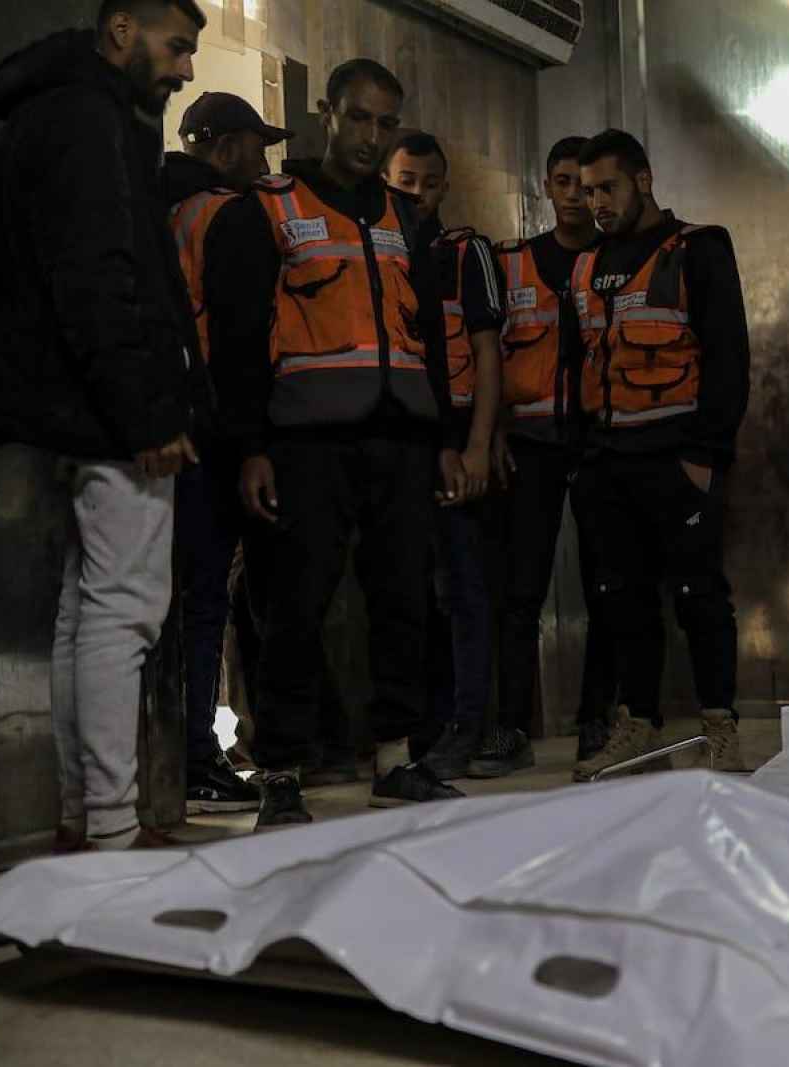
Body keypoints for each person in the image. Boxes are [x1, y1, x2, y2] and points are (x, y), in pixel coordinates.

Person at [206, 58, 478, 827]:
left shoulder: (405, 218)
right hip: (305, 442)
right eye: (358, 117)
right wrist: (251, 447)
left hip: (401, 440)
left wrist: (445, 440)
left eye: (386, 122)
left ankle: (395, 759)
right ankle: (281, 770)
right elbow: (236, 343)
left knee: (403, 601)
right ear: (326, 113)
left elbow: (430, 337)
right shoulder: (267, 209)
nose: (371, 135)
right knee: (294, 607)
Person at [0, 0, 209, 849]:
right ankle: (111, 828)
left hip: (51, 402)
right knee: (124, 613)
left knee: (84, 614)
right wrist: (149, 410)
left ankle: (86, 817)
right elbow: (102, 274)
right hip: (105, 411)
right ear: (121, 32)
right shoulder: (89, 121)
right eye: (176, 48)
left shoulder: (37, 115)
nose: (184, 69)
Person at [567, 129, 750, 781]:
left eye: (607, 188)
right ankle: (638, 725)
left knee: (700, 595)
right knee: (623, 599)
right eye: (588, 191)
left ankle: (721, 729)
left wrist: (705, 456)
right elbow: (578, 365)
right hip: (608, 462)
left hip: (677, 458)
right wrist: (585, 461)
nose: (596, 202)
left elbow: (728, 356)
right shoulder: (587, 265)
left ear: (643, 181)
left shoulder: (697, 248)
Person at [164, 91, 292, 815]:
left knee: (174, 599)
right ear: (225, 147)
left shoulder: (162, 207)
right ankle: (198, 756)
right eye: (257, 145)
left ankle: (175, 756)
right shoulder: (229, 214)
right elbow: (242, 342)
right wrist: (253, 444)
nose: (265, 161)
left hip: (168, 426)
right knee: (210, 598)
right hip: (217, 433)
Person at [380, 131, 509, 779]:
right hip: (399, 444)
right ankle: (421, 728)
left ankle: (469, 723)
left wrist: (479, 444)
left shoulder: (466, 252)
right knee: (407, 591)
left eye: (430, 183)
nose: (418, 194)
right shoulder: (377, 251)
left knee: (464, 587)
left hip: (457, 437)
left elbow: (488, 352)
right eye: (406, 182)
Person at [494, 135, 618, 766]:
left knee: (607, 587)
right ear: (546, 187)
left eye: (585, 186)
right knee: (520, 591)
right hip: (530, 445)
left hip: (601, 444)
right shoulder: (511, 263)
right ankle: (510, 727)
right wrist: (491, 435)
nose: (574, 196)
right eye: (563, 183)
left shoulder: (618, 263)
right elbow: (486, 359)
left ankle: (599, 719)